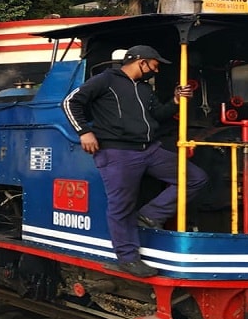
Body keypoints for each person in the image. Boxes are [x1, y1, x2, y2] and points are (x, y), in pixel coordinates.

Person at [62, 45, 207, 277]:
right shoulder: (106, 79)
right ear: (141, 62)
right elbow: (70, 102)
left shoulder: (144, 89)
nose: (156, 71)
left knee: (195, 178)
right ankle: (128, 258)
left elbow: (157, 114)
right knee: (121, 206)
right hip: (117, 152)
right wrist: (83, 132)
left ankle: (150, 214)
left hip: (149, 150)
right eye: (154, 65)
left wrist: (176, 101)